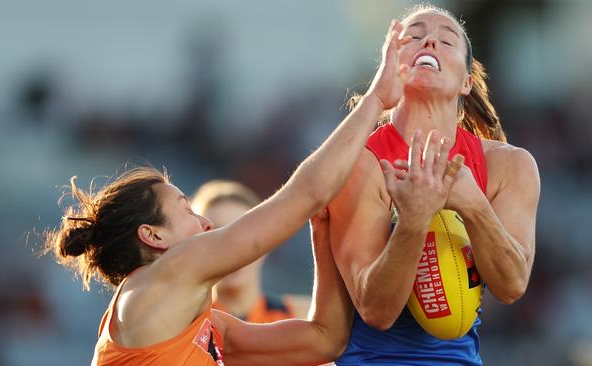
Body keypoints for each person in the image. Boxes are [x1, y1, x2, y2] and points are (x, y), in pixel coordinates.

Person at [43, 20, 466, 365]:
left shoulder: (197, 320)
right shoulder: (171, 272)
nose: (206, 222)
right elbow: (303, 195)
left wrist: (322, 236)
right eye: (186, 209)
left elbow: (324, 341)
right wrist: (375, 100)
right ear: (153, 236)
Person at [329, 4, 541, 365]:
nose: (429, 41)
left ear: (466, 82)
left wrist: (473, 204)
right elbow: (374, 309)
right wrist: (413, 221)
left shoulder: (508, 165)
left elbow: (512, 285)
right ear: (391, 65)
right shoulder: (359, 160)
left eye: (447, 40)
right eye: (413, 37)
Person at [191, 180, 310, 322]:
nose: (232, 249)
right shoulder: (180, 325)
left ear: (266, 243)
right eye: (215, 235)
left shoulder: (304, 317)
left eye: (243, 234)